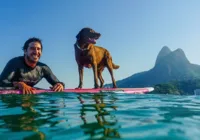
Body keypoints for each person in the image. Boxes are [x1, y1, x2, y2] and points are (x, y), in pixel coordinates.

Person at [0, 37, 64, 94]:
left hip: (29, 96)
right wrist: (19, 84)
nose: (36, 52)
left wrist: (60, 85)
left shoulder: (43, 68)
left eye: (38, 49)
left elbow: (57, 83)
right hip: (10, 99)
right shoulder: (15, 63)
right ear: (25, 51)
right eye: (32, 48)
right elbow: (2, 82)